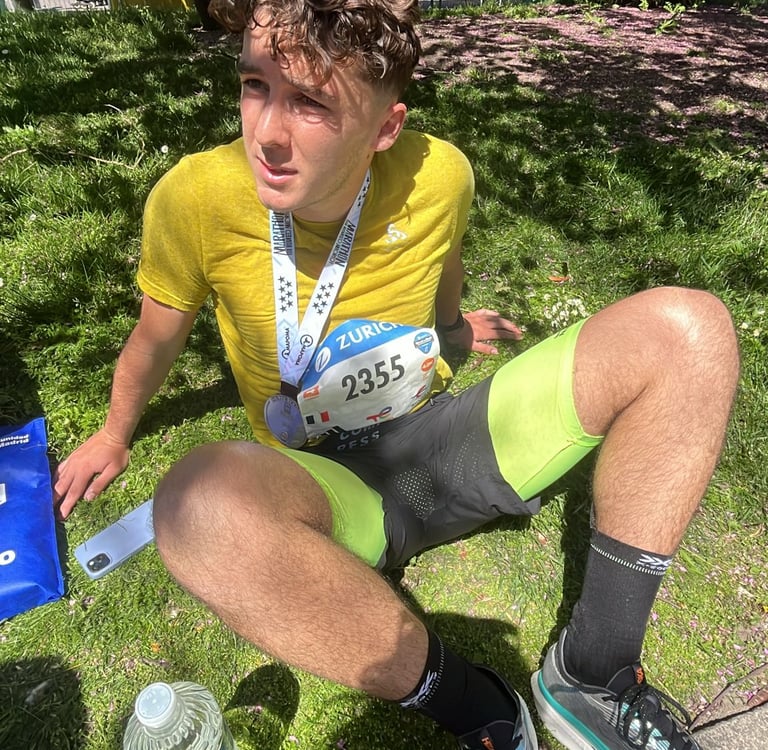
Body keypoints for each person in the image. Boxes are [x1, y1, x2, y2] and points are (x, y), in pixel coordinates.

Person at [53, 1, 739, 748]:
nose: (267, 133)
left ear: (386, 128)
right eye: (255, 85)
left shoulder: (440, 173)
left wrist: (453, 327)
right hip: (322, 484)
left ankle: (593, 671)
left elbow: (444, 261)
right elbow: (156, 335)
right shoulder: (195, 198)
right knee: (196, 505)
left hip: (439, 441)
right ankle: (479, 707)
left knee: (690, 329)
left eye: (311, 102)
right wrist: (114, 434)